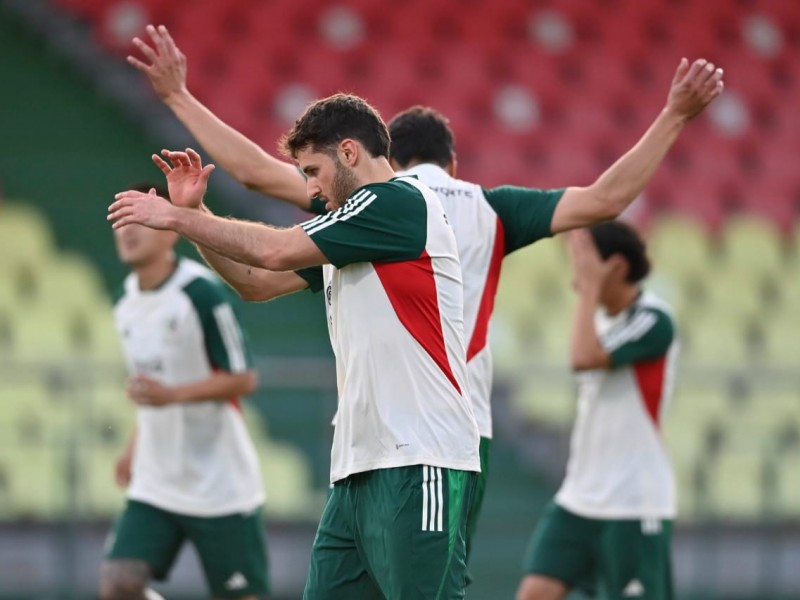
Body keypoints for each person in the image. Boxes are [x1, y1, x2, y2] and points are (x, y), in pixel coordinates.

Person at [126, 24, 722, 561]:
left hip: (417, 434)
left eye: (314, 174)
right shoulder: (489, 206)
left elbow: (257, 177)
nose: (315, 186)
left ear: (373, 157)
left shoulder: (381, 204)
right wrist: (673, 115)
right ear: (453, 163)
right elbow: (605, 201)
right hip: (459, 424)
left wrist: (179, 107)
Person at [108, 94, 481, 600]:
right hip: (356, 467)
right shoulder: (353, 230)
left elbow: (275, 249)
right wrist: (195, 213)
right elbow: (255, 282)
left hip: (421, 458)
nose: (310, 187)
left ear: (349, 153)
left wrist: (174, 219)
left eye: (313, 169)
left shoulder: (394, 201)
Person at [101, 184, 268, 600]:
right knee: (120, 585)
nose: (128, 231)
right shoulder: (125, 302)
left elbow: (243, 378)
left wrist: (172, 396)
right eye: (122, 220)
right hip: (156, 479)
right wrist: (133, 448)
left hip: (219, 483)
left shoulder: (201, 293)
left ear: (170, 230)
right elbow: (150, 389)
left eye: (139, 218)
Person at [516, 222, 679, 600]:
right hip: (579, 497)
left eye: (585, 261)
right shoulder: (601, 320)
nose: (577, 270)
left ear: (617, 267)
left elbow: (584, 358)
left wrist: (589, 288)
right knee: (533, 593)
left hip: (633, 503)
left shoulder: (654, 320)